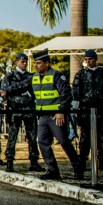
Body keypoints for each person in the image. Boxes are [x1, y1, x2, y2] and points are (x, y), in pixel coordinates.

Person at [31, 49, 82, 180]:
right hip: (43, 117)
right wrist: (5, 91)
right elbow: (20, 85)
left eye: (38, 63)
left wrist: (61, 111)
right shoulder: (34, 77)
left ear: (47, 63)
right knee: (42, 142)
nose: (36, 65)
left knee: (64, 141)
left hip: (56, 116)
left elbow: (66, 94)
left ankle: (78, 168)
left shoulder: (57, 75)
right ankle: (53, 171)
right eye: (35, 63)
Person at [72, 49, 103, 170]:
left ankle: (102, 160)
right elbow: (76, 89)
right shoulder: (81, 74)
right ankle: (82, 160)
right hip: (85, 108)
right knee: (85, 136)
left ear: (95, 59)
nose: (88, 61)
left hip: (100, 108)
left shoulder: (102, 73)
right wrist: (75, 104)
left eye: (90, 59)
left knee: (101, 136)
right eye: (86, 59)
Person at [0, 53, 42, 172]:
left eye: (25, 62)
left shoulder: (31, 76)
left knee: (32, 137)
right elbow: (4, 91)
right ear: (17, 62)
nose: (24, 64)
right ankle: (10, 161)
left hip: (29, 109)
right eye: (22, 62)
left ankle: (34, 161)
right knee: (12, 137)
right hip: (15, 110)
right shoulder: (10, 76)